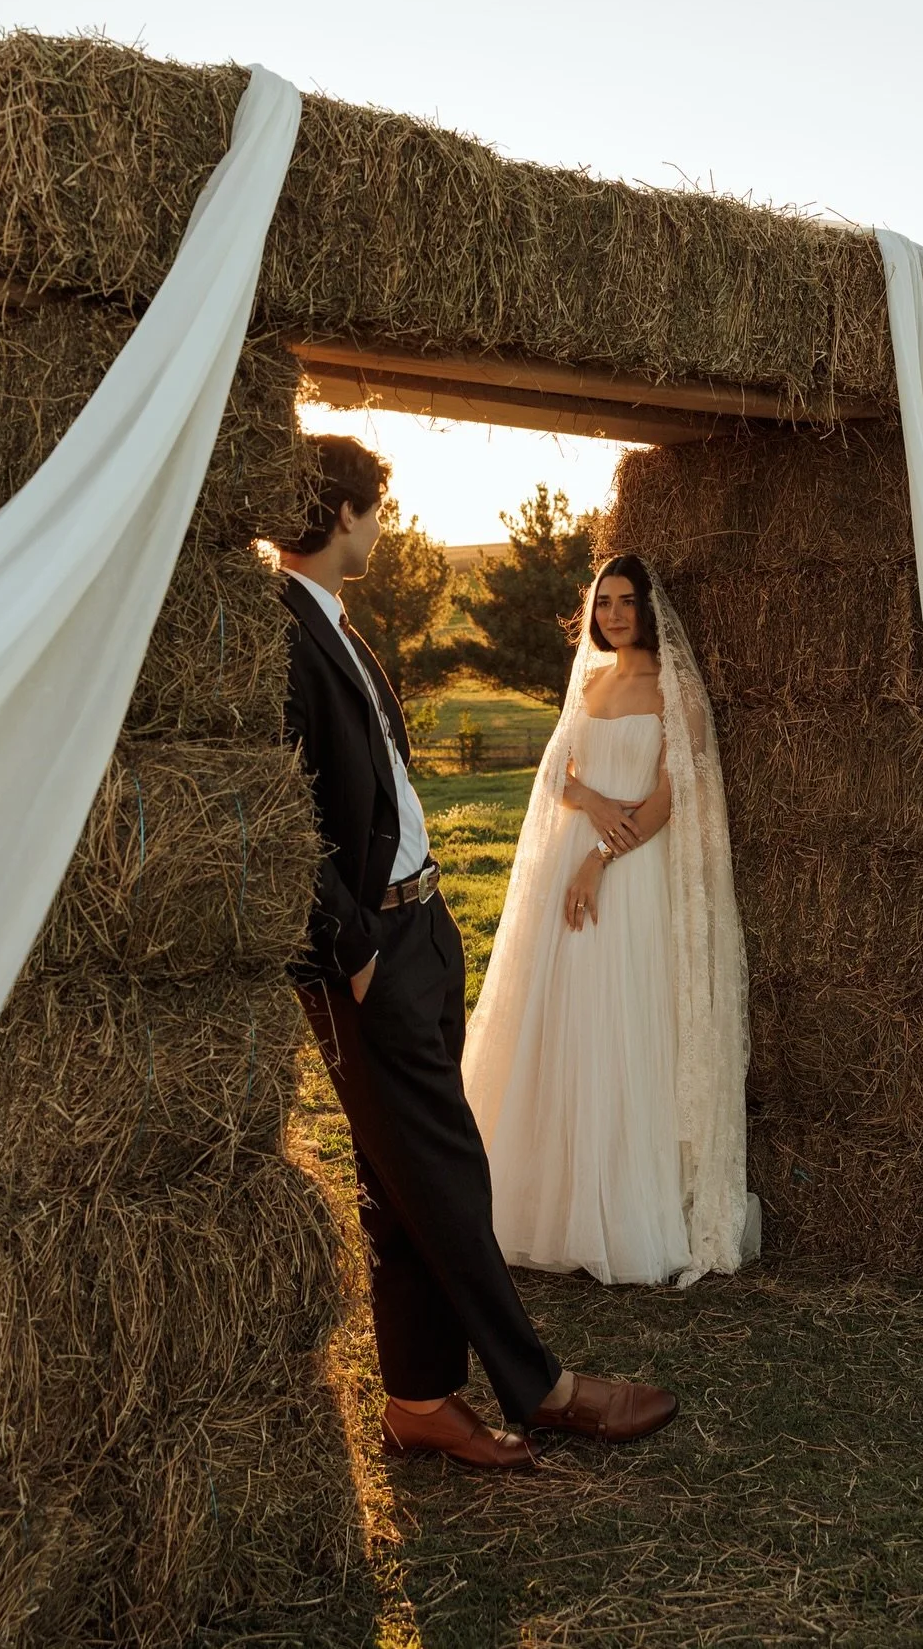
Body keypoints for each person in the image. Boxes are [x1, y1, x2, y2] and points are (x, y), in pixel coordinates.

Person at [277, 438, 679, 1470]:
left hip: (421, 926)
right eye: (376, 508)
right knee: (448, 1165)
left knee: (402, 1174)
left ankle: (417, 1396)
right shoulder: (282, 631)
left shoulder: (339, 628)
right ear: (343, 510)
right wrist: (354, 948)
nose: (384, 526)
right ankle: (538, 1384)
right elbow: (273, 806)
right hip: (372, 947)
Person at [463, 554, 758, 1287]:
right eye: (604, 603)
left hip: (628, 876)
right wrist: (591, 803)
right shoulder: (590, 680)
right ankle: (550, 1205)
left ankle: (623, 1211)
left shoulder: (672, 688)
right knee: (564, 1025)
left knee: (620, 1027)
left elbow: (668, 796)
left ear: (649, 610)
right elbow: (558, 774)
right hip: (574, 867)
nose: (614, 615)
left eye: (626, 602)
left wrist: (599, 857)